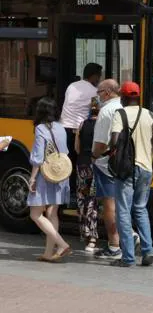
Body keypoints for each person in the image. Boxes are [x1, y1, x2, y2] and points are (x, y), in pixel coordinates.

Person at [108, 82, 153, 267]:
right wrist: (152, 167)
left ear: (123, 97)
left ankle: (128, 257)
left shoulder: (119, 114)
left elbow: (114, 141)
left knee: (123, 211)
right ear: (137, 96)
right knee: (140, 209)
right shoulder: (150, 115)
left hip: (126, 170)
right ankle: (149, 250)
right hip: (146, 168)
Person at [91, 79, 135, 260]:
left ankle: (114, 244)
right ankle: (129, 236)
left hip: (106, 163)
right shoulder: (126, 108)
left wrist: (94, 156)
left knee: (109, 205)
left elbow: (101, 143)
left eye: (99, 92)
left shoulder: (106, 111)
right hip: (126, 162)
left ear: (108, 92)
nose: (98, 96)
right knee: (123, 203)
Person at [28, 97, 72, 262]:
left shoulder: (40, 128)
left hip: (45, 176)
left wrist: (32, 179)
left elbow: (38, 157)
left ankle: (61, 244)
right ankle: (48, 253)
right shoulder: (61, 128)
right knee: (52, 213)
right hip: (60, 174)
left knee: (35, 214)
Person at [59, 63, 102, 196]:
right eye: (99, 76)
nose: (99, 79)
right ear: (94, 76)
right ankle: (79, 193)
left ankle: (66, 192)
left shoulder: (71, 86)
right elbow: (96, 112)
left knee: (66, 163)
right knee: (81, 163)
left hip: (63, 128)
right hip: (78, 132)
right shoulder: (94, 92)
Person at [74, 98, 100, 253]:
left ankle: (86, 234)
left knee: (82, 199)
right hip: (96, 165)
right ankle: (93, 238)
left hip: (82, 164)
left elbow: (77, 148)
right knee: (94, 201)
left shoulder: (82, 124)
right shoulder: (103, 125)